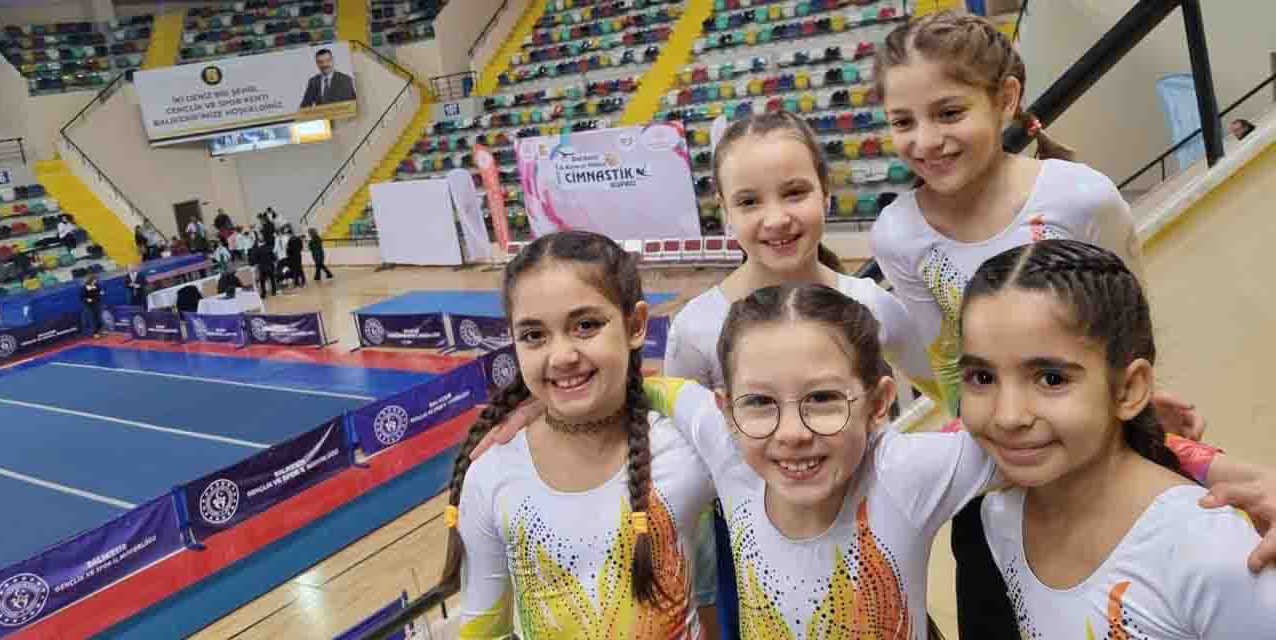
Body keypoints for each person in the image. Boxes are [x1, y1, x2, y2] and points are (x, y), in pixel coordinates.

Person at [477, 283, 1276, 638]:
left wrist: (1198, 461)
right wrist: (542, 400)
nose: (792, 433)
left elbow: (1030, 430)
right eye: (761, 403)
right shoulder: (724, 443)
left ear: (881, 402)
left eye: (825, 400)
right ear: (728, 407)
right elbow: (661, 386)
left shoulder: (907, 472)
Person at [868, 13, 1205, 637]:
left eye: (948, 113)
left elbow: (1126, 324)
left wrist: (1136, 410)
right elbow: (951, 364)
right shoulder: (899, 233)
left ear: (1005, 99)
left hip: (1096, 449)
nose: (925, 140)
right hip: (996, 466)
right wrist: (996, 434)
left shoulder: (1081, 197)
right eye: (902, 122)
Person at [663, 110, 936, 639]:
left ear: (825, 193)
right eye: (749, 202)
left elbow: (945, 389)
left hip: (870, 529)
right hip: (750, 543)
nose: (776, 218)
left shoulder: (871, 305)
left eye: (793, 193)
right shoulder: (697, 327)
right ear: (724, 212)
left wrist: (900, 460)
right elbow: (680, 441)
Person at [960, 240, 1276, 637]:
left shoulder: (1210, 552)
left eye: (1051, 379)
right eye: (982, 377)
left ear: (1128, 390)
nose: (1008, 416)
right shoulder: (998, 516)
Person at [440, 231, 714, 638]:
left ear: (636, 325)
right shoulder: (491, 474)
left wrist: (645, 391)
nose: (562, 356)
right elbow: (483, 631)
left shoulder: (687, 446)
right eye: (534, 335)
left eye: (585, 325)